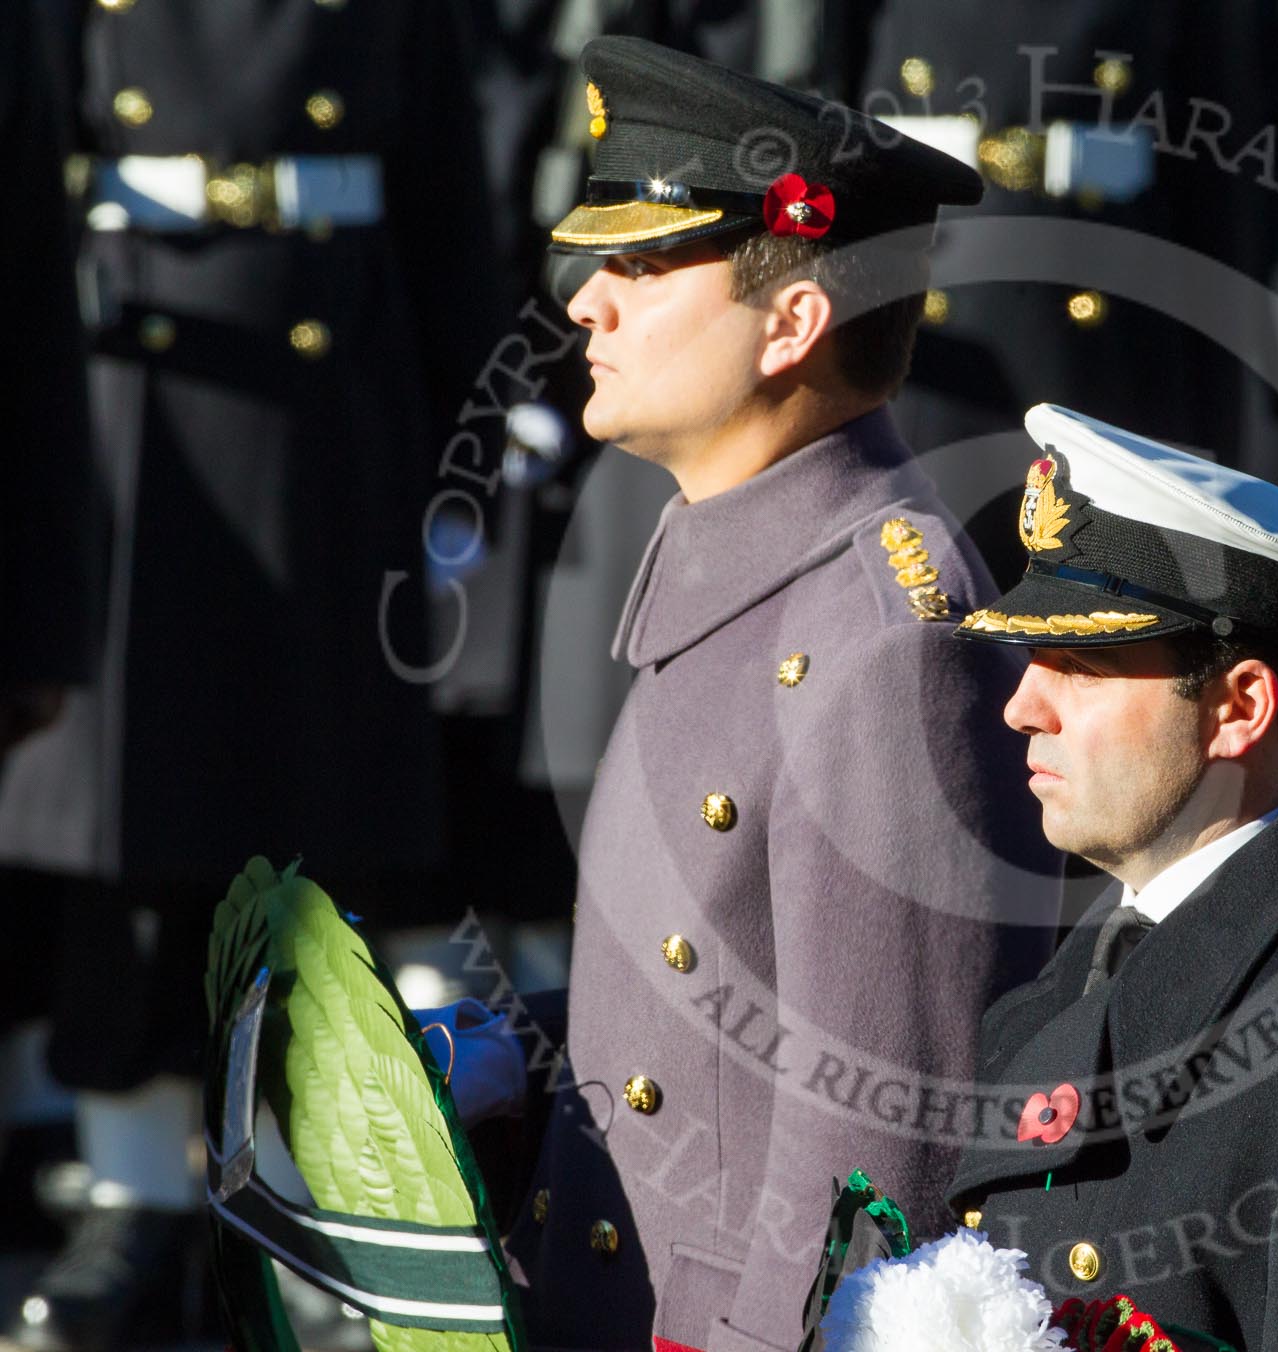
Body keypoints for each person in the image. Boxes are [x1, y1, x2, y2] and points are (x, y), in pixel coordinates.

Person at [497, 38, 1058, 1352]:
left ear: (793, 322)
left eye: (642, 266)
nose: (589, 304)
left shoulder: (883, 640)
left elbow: (885, 1142)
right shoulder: (737, 564)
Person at [0, 1, 507, 1347]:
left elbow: (447, 195)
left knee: (317, 818)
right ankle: (131, 1189)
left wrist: (476, 434)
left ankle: (312, 1197)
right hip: (128, 393)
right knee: (133, 836)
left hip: (331, 396)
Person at [942, 403, 1278, 1350]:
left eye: (1085, 664)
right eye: (1032, 658)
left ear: (1239, 707)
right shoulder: (1113, 953)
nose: (1024, 704)